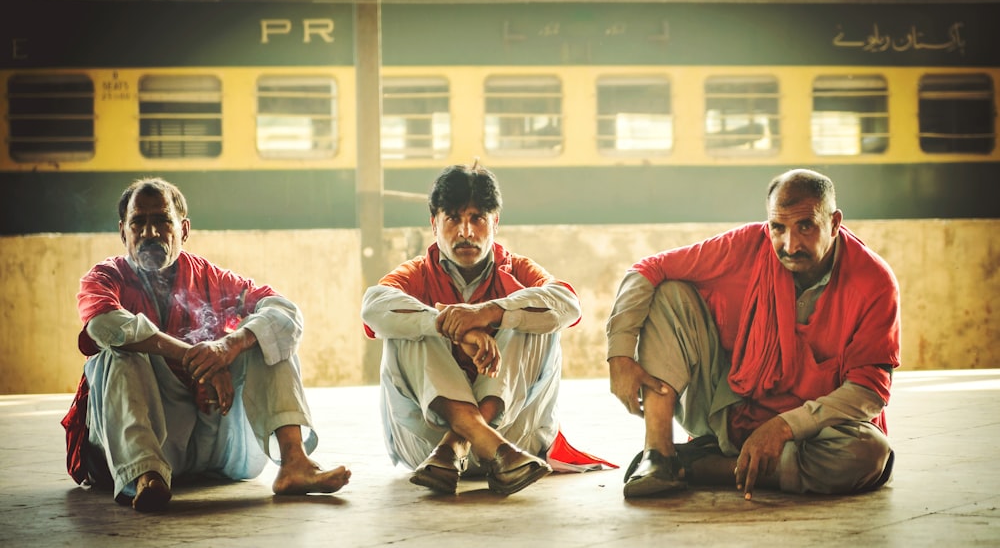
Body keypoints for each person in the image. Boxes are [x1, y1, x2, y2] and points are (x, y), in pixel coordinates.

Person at [606, 169, 900, 499]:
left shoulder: (874, 281)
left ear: (834, 223)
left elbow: (869, 393)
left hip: (812, 431)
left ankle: (699, 466)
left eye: (805, 226)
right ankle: (658, 455)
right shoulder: (746, 245)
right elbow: (647, 270)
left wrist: (784, 426)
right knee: (669, 292)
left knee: (868, 453)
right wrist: (619, 355)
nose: (790, 245)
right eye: (778, 228)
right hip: (733, 407)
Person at [60, 177, 350, 512]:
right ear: (123, 232)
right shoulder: (104, 278)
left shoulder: (211, 277)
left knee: (267, 337)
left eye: (162, 221)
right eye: (139, 222)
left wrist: (229, 347)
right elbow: (103, 324)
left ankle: (294, 464)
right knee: (116, 353)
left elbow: (285, 312)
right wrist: (191, 357)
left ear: (183, 230)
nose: (150, 233)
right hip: (128, 452)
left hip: (215, 444)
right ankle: (144, 476)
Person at [361, 163, 584, 495]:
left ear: (495, 222)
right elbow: (373, 307)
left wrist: (491, 313)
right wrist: (451, 327)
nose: (466, 232)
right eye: (453, 218)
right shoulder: (417, 274)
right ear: (433, 223)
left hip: (514, 442)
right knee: (407, 324)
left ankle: (459, 444)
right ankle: (481, 443)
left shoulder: (517, 270)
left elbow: (568, 304)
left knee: (532, 315)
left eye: (477, 218)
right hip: (427, 450)